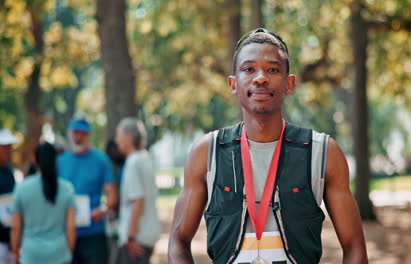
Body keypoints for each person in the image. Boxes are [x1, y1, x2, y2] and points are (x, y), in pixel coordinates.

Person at [168, 28, 368, 264]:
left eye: (272, 69)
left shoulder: (323, 151)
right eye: (248, 69)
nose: (260, 77)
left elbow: (354, 247)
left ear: (289, 83)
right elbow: (178, 242)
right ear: (233, 84)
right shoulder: (207, 151)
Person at [57, 118, 118, 264]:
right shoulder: (59, 161)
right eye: (75, 133)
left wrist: (102, 210)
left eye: (82, 133)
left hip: (94, 232)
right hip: (66, 232)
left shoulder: (101, 160)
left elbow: (112, 195)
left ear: (89, 135)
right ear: (69, 134)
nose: (78, 137)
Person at [10, 142, 76, 264]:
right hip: (59, 254)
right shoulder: (67, 189)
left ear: (35, 161)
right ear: (56, 161)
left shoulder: (21, 188)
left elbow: (15, 227)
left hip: (31, 255)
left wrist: (14, 252)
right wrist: (69, 253)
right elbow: (71, 227)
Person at [115, 117, 160, 264]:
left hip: (137, 239)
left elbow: (138, 201)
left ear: (129, 136)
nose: (116, 140)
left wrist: (130, 238)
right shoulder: (145, 157)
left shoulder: (133, 162)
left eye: (119, 135)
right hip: (147, 236)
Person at [0, 129, 17, 264]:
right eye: (4, 147)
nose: (9, 151)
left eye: (9, 147)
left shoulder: (8, 173)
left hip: (8, 239)